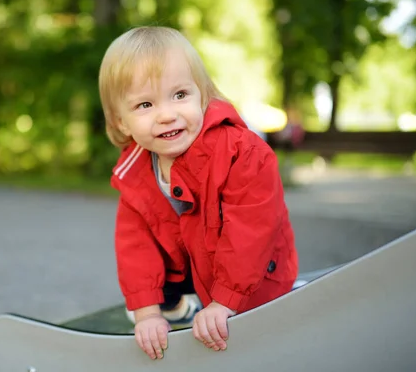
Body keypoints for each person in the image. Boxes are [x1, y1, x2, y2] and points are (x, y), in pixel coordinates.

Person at [97, 26, 298, 361]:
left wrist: (224, 303)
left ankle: (216, 306)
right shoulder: (135, 170)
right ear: (121, 122)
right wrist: (147, 312)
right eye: (145, 104)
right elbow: (135, 244)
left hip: (254, 274)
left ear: (202, 94)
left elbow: (250, 233)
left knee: (240, 332)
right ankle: (177, 303)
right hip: (193, 263)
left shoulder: (240, 153)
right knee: (145, 285)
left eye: (179, 95)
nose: (166, 114)